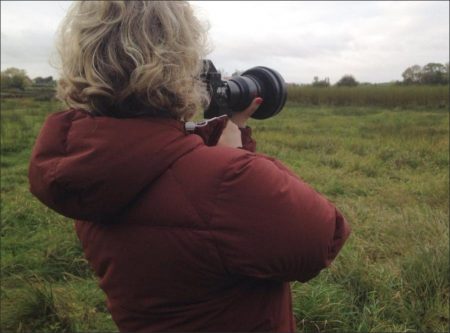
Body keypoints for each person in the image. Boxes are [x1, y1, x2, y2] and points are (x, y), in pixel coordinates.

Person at [28, 1, 351, 332]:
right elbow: (326, 236)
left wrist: (213, 152)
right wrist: (238, 160)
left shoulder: (87, 169)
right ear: (176, 61)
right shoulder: (227, 183)